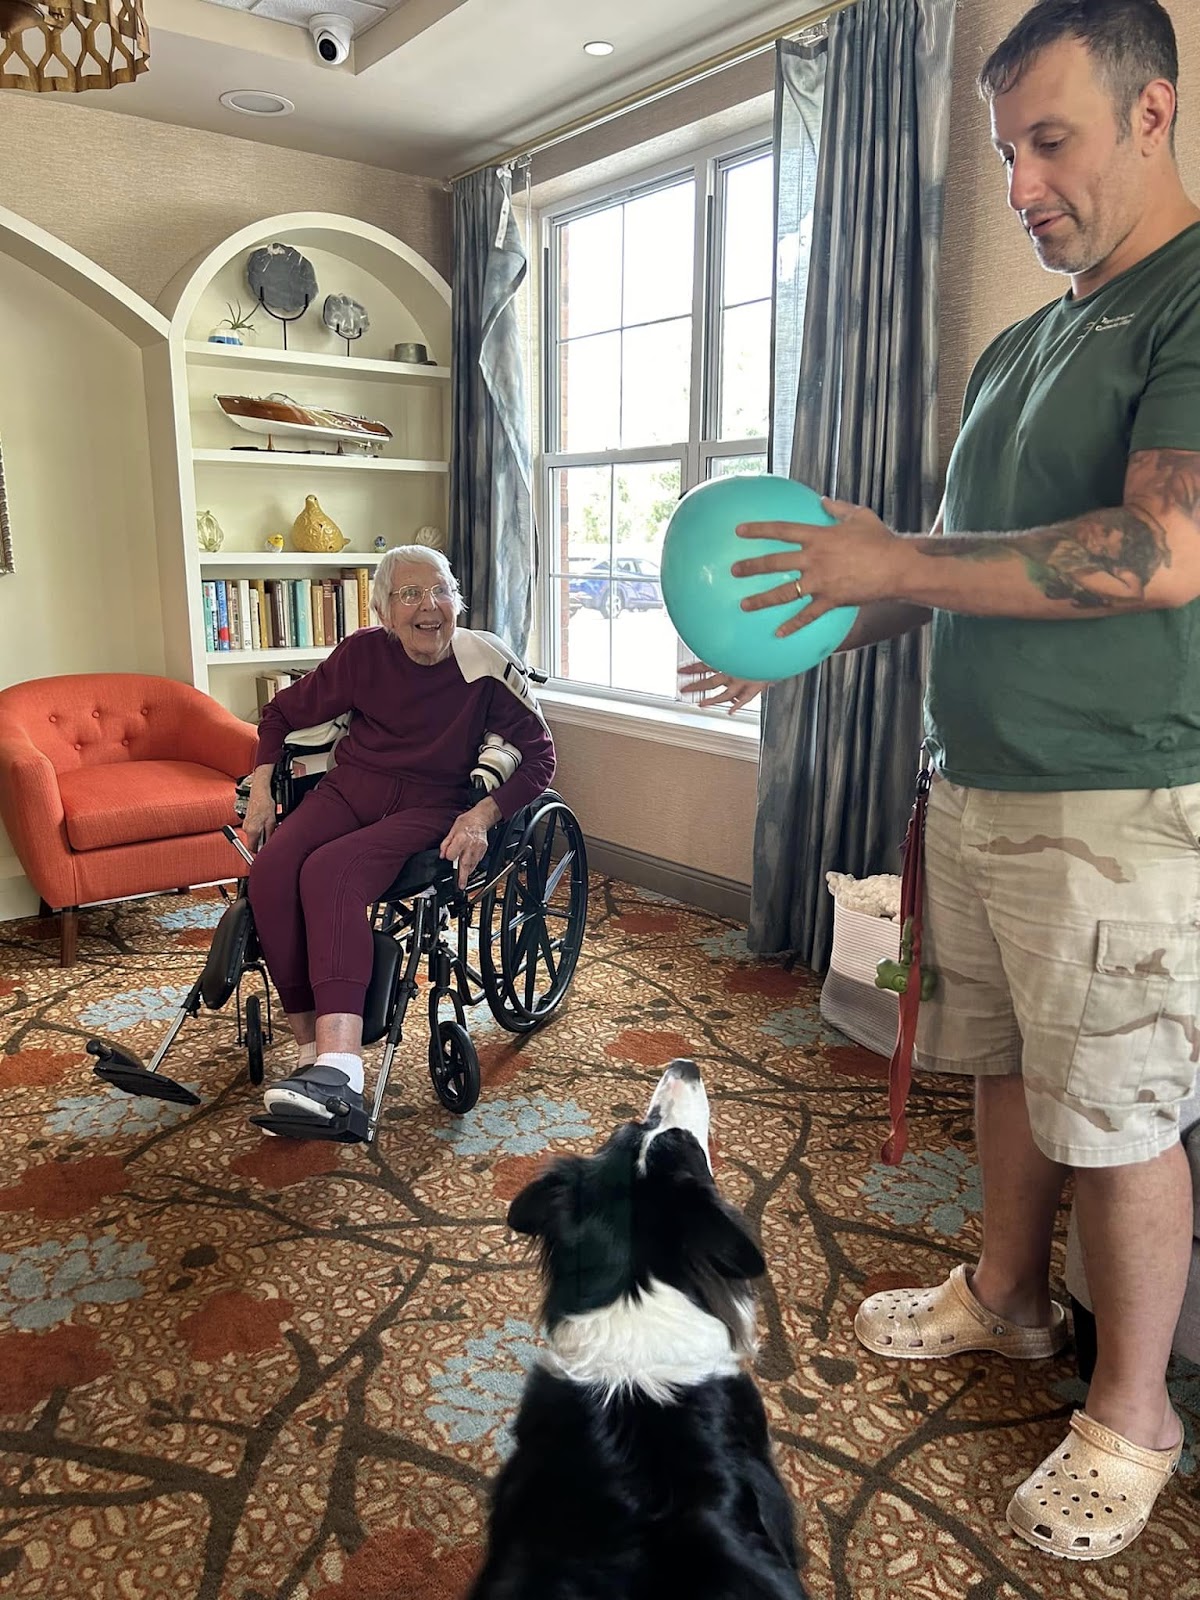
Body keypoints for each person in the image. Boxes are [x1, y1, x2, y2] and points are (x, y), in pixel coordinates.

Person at [684, 0, 1200, 1562]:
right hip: (968, 782)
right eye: (1004, 151)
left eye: (1052, 141)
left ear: (1155, 115)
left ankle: (1134, 1414)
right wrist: (824, 622)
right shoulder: (1021, 343)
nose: (1025, 182)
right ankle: (1008, 1299)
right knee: (999, 1067)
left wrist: (893, 554)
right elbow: (957, 568)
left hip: (1114, 800)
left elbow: (1162, 551)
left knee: (1115, 1111)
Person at [242, 545, 555, 1131]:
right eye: (408, 595)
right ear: (384, 610)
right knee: (273, 872)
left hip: (432, 802)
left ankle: (342, 1069)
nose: (427, 607)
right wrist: (262, 785)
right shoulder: (363, 654)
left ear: (455, 602)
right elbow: (280, 713)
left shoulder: (482, 664)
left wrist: (482, 814)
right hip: (352, 787)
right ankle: (311, 1052)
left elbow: (540, 758)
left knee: (330, 873)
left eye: (439, 591)